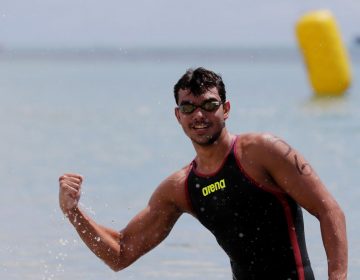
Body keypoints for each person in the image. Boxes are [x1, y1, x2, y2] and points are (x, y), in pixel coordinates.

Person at [59, 67, 347, 280]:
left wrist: (337, 277)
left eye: (209, 105)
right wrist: (74, 213)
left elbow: (328, 209)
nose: (199, 115)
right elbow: (121, 253)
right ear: (178, 116)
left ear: (226, 109)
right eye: (188, 107)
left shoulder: (263, 151)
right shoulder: (181, 188)